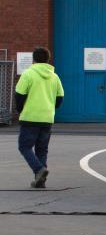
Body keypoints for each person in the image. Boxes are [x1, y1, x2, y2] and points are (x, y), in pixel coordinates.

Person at [14, 47, 64, 188]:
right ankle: (40, 181)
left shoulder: (28, 74)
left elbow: (19, 95)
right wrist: (50, 108)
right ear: (48, 59)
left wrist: (20, 110)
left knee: (24, 146)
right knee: (42, 149)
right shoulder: (55, 76)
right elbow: (60, 97)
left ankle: (39, 169)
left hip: (30, 117)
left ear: (33, 59)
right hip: (47, 118)